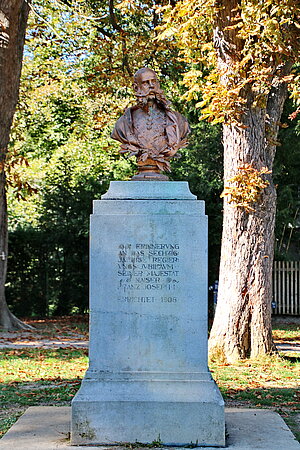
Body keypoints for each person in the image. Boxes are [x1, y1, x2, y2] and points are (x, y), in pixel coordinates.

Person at [111, 67, 190, 180]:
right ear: (136, 87)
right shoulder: (123, 124)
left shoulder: (179, 121)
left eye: (154, 81)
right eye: (145, 83)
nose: (151, 86)